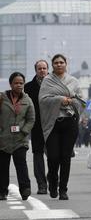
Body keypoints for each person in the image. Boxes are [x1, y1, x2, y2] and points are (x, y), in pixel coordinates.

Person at [39, 54, 84, 200]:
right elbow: (43, 100)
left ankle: (63, 189)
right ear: (52, 65)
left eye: (61, 62)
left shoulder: (74, 81)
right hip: (53, 123)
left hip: (69, 122)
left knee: (66, 157)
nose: (59, 65)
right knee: (53, 157)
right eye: (56, 63)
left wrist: (71, 101)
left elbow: (82, 102)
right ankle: (53, 182)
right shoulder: (47, 81)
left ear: (66, 64)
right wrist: (60, 100)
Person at [0, 72, 35, 201]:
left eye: (21, 83)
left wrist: (24, 131)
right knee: (3, 166)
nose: (19, 85)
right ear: (11, 84)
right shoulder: (2, 98)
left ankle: (25, 189)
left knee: (21, 164)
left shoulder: (27, 100)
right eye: (16, 83)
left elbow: (31, 119)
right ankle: (2, 190)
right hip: (3, 139)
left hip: (20, 139)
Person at [24, 60, 49, 194]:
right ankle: (41, 184)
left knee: (54, 156)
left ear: (47, 69)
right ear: (36, 70)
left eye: (44, 68)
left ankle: (51, 178)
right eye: (39, 68)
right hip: (37, 126)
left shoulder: (55, 84)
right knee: (38, 154)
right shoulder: (28, 87)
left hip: (53, 126)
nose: (42, 70)